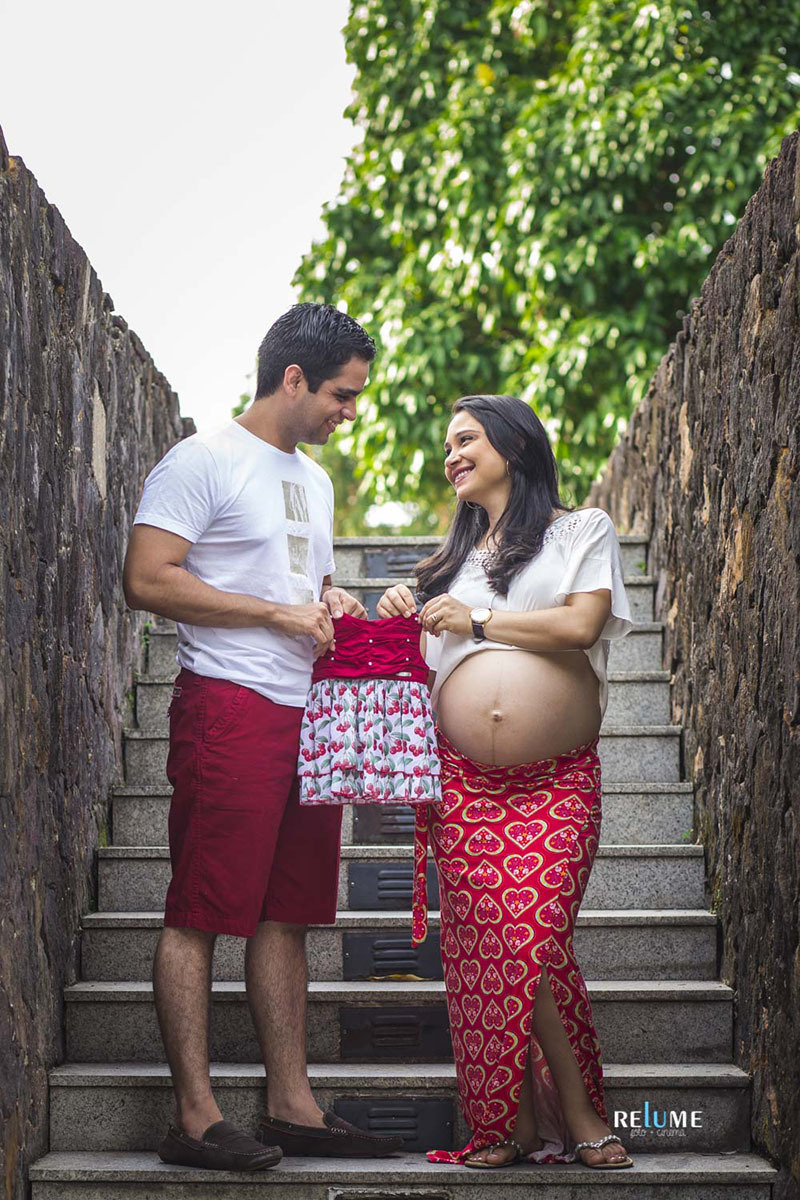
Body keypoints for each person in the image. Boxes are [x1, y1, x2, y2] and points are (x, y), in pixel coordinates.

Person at [123, 303, 404, 1172]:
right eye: (342, 395)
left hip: (307, 712)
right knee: (201, 910)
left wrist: (329, 600)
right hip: (228, 706)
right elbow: (147, 578)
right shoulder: (200, 460)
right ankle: (195, 1118)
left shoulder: (315, 481)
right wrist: (273, 614)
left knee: (289, 913)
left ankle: (292, 1106)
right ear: (292, 378)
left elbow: (303, 586)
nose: (349, 411)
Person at [377, 394, 635, 1170]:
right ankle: (507, 1123)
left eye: (466, 440)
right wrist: (397, 615)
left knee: (531, 936)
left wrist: (479, 622)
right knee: (487, 951)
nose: (451, 456)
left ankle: (581, 1113)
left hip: (556, 781)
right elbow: (414, 673)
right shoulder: (446, 569)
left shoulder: (580, 530)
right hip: (464, 787)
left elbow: (581, 626)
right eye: (446, 447)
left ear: (514, 446)